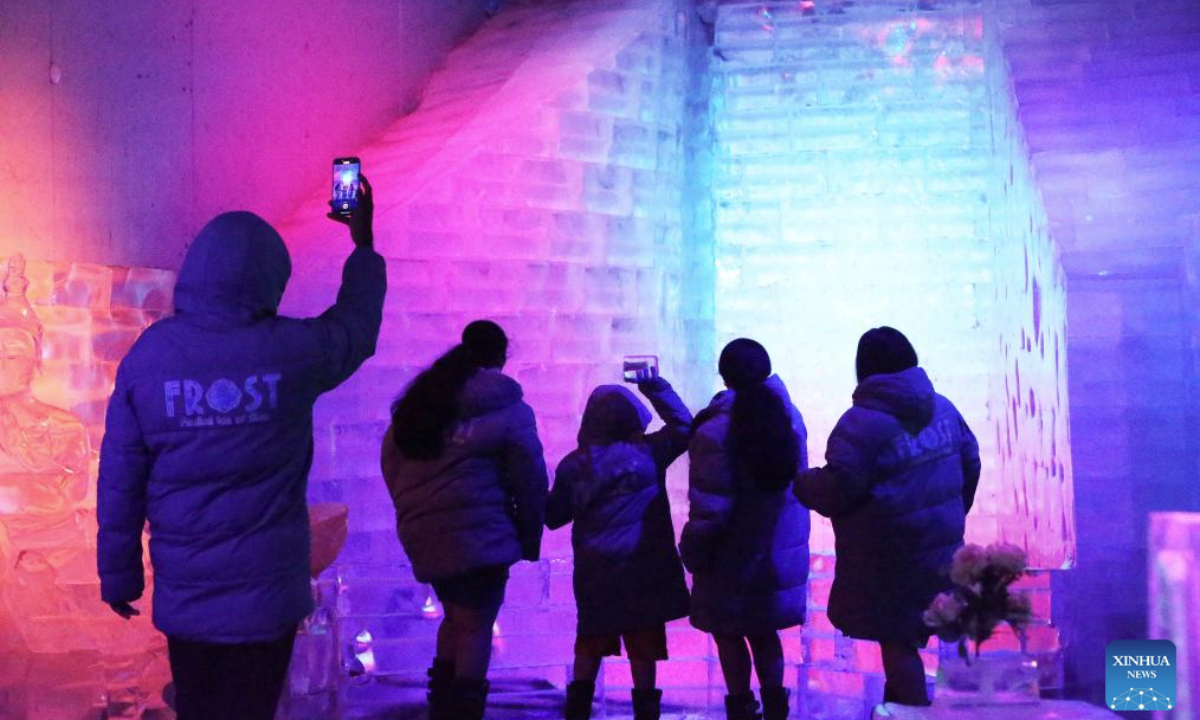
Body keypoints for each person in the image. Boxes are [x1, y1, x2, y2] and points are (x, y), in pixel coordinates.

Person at [96, 176, 385, 720]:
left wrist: (119, 575)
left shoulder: (150, 356)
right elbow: (355, 329)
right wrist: (362, 246)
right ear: (269, 278)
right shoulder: (292, 353)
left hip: (188, 599)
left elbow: (120, 479)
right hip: (267, 599)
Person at [793, 327, 980, 706]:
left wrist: (802, 483)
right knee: (920, 629)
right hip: (940, 546)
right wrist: (954, 513)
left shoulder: (859, 424)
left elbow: (839, 488)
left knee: (897, 641)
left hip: (889, 553)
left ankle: (912, 713)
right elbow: (970, 461)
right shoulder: (943, 407)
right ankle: (901, 708)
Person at [380, 319, 548, 720]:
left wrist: (413, 512)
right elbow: (530, 477)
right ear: (501, 357)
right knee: (475, 627)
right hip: (482, 537)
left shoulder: (423, 401)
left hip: (425, 533)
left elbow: (391, 460)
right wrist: (528, 539)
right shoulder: (508, 407)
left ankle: (440, 709)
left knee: (455, 618)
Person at [545, 367, 693, 720]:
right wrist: (655, 386)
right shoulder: (648, 454)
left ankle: (578, 709)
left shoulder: (575, 466)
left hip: (597, 568)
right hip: (643, 564)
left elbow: (553, 517)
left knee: (591, 640)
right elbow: (685, 428)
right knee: (643, 647)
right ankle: (646, 712)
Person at [679, 339, 810, 720]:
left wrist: (692, 551)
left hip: (730, 553)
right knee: (765, 631)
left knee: (729, 632)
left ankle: (741, 708)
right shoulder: (788, 418)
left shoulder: (717, 429)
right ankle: (775, 710)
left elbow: (711, 507)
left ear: (724, 376)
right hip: (775, 549)